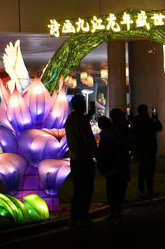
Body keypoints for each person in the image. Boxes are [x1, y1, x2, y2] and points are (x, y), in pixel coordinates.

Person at [65, 94, 98, 228]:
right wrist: (97, 155)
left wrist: (89, 115)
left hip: (74, 159)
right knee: (87, 189)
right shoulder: (82, 121)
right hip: (85, 159)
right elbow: (89, 140)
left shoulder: (70, 119)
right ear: (80, 105)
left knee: (77, 189)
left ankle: (74, 217)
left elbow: (80, 123)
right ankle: (83, 217)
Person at [97, 110, 130, 226]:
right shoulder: (118, 133)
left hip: (111, 169)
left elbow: (103, 154)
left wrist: (102, 166)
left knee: (112, 192)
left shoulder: (106, 138)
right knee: (119, 191)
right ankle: (117, 213)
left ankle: (115, 213)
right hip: (121, 167)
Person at [132, 104, 163, 198]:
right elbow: (159, 128)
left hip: (141, 147)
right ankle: (149, 190)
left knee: (142, 169)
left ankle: (141, 190)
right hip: (149, 147)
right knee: (149, 170)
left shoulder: (136, 121)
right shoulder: (149, 121)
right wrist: (155, 119)